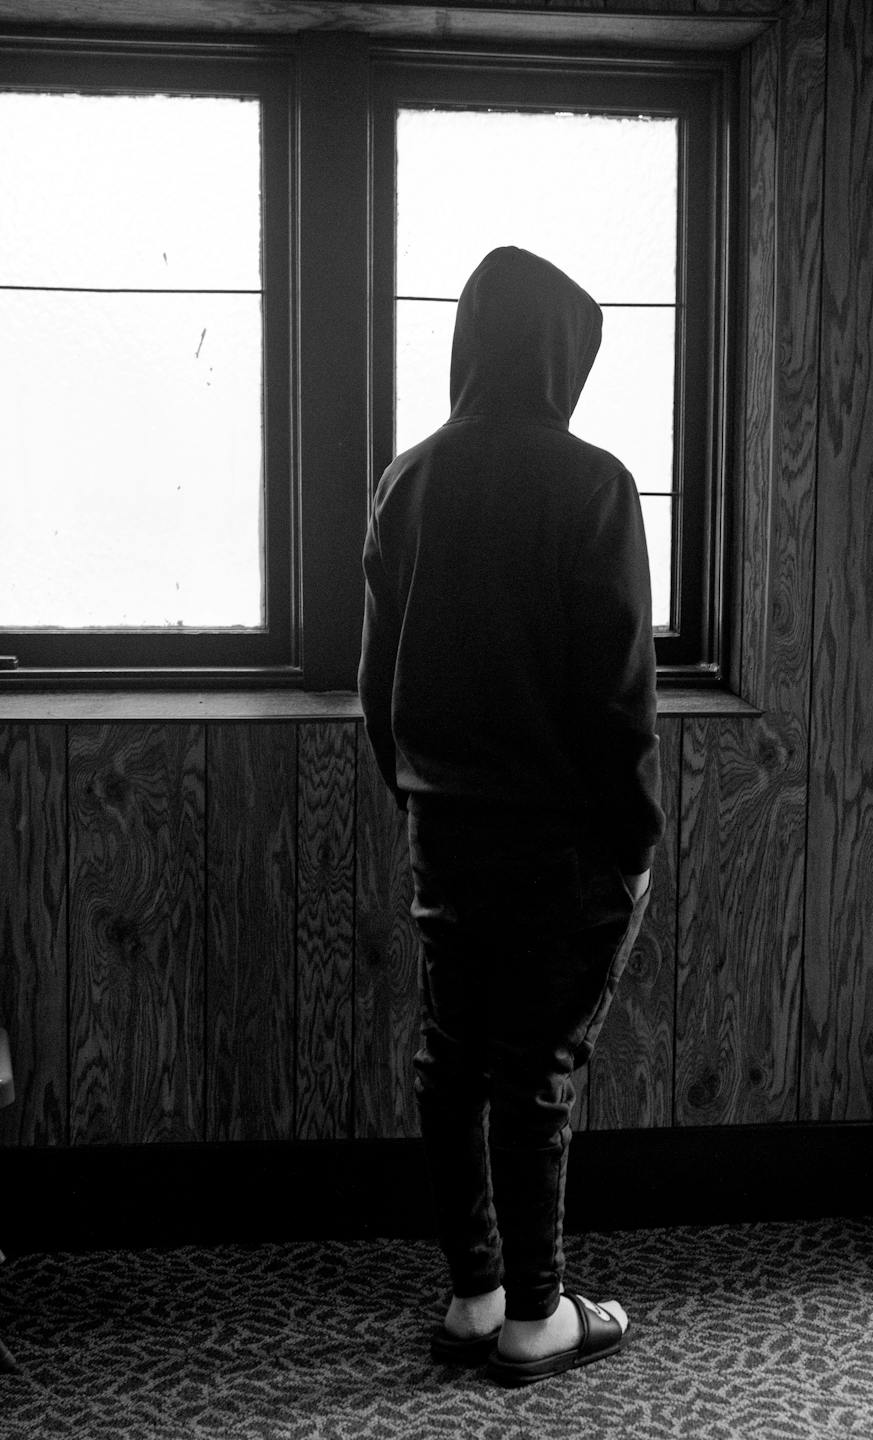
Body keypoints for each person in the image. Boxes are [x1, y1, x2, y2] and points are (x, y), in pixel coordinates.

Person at [359, 245, 661, 1387]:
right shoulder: (595, 485)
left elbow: (377, 685)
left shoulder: (408, 480)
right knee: (539, 1068)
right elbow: (616, 695)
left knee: (451, 1063)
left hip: (444, 830)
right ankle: (540, 1317)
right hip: (563, 840)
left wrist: (418, 792)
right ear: (558, 354)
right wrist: (635, 841)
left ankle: (476, 1294)